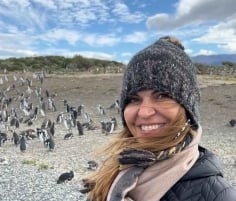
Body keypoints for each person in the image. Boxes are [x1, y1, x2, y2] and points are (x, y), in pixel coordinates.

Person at [80, 36, 236, 201]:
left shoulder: (219, 196)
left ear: (187, 109)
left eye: (162, 95)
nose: (144, 112)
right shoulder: (116, 167)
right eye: (134, 99)